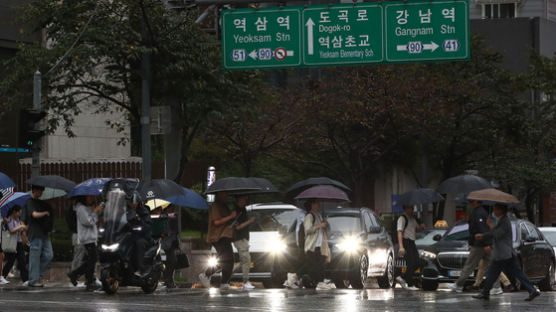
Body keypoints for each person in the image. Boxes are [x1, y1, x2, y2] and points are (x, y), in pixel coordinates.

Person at [473, 204, 540, 301]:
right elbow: (495, 233)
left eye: (496, 209)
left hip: (503, 254)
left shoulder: (505, 221)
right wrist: (483, 235)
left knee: (492, 272)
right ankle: (532, 290)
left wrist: (491, 226)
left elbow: (497, 234)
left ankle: (485, 292)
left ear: (501, 211)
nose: (494, 211)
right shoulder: (501, 220)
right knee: (516, 272)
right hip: (505, 253)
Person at [449, 200, 500, 293]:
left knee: (469, 265)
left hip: (480, 244)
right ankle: (496, 286)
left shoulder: (479, 213)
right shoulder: (481, 212)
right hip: (483, 243)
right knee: (492, 265)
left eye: (472, 201)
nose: (471, 203)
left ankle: (459, 284)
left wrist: (483, 243)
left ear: (477, 202)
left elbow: (480, 229)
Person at [199, 191, 236, 289]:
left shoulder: (224, 205)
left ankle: (224, 282)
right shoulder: (215, 205)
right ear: (218, 194)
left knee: (228, 260)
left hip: (225, 235)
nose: (226, 195)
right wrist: (230, 216)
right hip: (218, 236)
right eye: (224, 193)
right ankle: (207, 275)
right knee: (227, 259)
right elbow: (216, 222)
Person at [67, 195, 102, 291]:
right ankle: (88, 281)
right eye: (88, 197)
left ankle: (75, 274)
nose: (90, 198)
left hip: (90, 237)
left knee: (91, 260)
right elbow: (88, 222)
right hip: (87, 238)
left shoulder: (85, 208)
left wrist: (94, 211)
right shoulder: (81, 208)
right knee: (92, 259)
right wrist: (95, 212)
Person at [22, 185, 53, 287]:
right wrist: (45, 213)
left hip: (44, 232)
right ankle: (33, 280)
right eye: (40, 190)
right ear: (34, 190)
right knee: (34, 257)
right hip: (35, 233)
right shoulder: (29, 202)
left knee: (49, 255)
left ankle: (37, 275)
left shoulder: (41, 203)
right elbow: (34, 215)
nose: (41, 193)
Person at [303, 198, 331, 290]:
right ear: (312, 205)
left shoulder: (318, 215)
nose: (319, 204)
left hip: (321, 246)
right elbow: (308, 230)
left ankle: (319, 282)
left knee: (321, 266)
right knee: (314, 267)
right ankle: (316, 283)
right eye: (316, 203)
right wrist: (319, 226)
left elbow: (325, 230)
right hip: (313, 246)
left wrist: (324, 223)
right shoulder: (309, 216)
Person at [396, 205, 425, 291]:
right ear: (405, 208)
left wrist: (421, 227)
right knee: (411, 263)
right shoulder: (402, 218)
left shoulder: (413, 218)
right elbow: (399, 232)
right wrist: (401, 247)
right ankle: (409, 283)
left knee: (417, 262)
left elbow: (415, 229)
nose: (412, 209)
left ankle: (402, 277)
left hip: (412, 242)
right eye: (410, 207)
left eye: (413, 208)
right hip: (406, 242)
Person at [231, 195, 256, 290]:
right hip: (239, 239)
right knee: (246, 260)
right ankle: (245, 281)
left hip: (244, 239)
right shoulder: (236, 211)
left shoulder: (243, 209)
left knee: (244, 261)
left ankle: (227, 273)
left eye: (245, 199)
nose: (245, 200)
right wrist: (249, 221)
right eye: (243, 199)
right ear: (238, 199)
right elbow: (237, 227)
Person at [126, 192, 152, 276]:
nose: (133, 204)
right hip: (129, 236)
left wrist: (139, 220)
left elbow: (147, 226)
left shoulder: (143, 211)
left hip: (142, 236)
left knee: (139, 243)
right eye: (131, 202)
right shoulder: (126, 211)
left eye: (134, 201)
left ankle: (141, 268)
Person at [2, 206, 29, 284]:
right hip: (12, 243)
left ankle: (26, 280)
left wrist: (22, 228)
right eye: (18, 213)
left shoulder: (18, 220)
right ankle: (2, 276)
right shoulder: (8, 219)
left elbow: (19, 230)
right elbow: (11, 230)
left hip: (19, 243)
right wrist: (20, 226)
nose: (19, 214)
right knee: (10, 261)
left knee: (22, 261)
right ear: (14, 212)